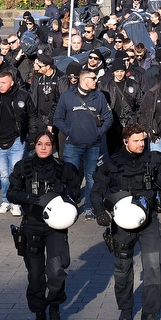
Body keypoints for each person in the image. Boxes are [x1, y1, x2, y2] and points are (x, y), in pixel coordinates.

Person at [90, 124, 161, 320]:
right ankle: (126, 309)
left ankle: (151, 313)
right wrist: (100, 212)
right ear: (125, 141)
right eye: (136, 141)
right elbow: (96, 192)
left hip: (148, 221)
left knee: (154, 266)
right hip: (122, 224)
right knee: (122, 269)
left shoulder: (153, 161)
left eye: (142, 140)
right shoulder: (110, 163)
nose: (140, 144)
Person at [6, 129, 82, 320]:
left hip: (56, 226)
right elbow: (11, 193)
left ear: (53, 146)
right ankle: (39, 313)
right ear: (34, 145)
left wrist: (65, 191)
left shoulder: (63, 168)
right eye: (40, 144)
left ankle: (55, 308)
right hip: (31, 224)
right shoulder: (23, 167)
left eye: (47, 144)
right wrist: (29, 198)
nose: (43, 147)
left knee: (56, 271)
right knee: (35, 274)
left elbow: (77, 190)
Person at [52, 67, 113, 221]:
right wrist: (69, 131)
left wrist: (99, 132)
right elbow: (57, 118)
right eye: (93, 78)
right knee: (70, 176)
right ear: (84, 80)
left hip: (93, 145)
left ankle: (89, 207)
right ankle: (70, 204)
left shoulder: (99, 97)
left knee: (91, 177)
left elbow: (109, 118)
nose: (96, 81)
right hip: (72, 144)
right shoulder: (67, 96)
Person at [0, 70, 36, 216]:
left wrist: (33, 137)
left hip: (17, 140)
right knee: (4, 175)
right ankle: (6, 200)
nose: (0, 85)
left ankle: (16, 203)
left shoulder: (23, 96)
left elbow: (32, 116)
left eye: (3, 83)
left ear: (12, 83)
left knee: (14, 172)